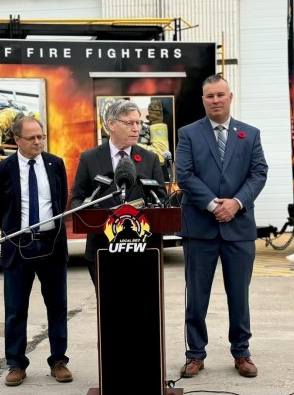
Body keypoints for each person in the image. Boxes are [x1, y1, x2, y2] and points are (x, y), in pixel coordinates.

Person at [175, 74, 268, 379]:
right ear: (203, 100)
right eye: (209, 96)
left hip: (238, 229)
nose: (215, 100)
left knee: (239, 294)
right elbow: (185, 175)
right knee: (196, 296)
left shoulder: (250, 135)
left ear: (230, 97)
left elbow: (258, 173)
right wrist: (215, 205)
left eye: (220, 94)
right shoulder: (188, 134)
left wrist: (236, 203)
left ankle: (241, 352)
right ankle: (195, 354)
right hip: (200, 228)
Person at [0, 115, 72, 385]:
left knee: (57, 306)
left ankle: (58, 360)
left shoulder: (54, 164)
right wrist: (14, 233)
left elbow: (61, 201)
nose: (38, 142)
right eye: (32, 138)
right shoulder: (3, 169)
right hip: (19, 247)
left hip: (51, 245)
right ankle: (16, 364)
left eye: (41, 136)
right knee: (15, 308)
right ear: (17, 140)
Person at [70, 98, 167, 284]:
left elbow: (160, 199)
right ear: (111, 124)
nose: (136, 128)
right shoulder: (89, 158)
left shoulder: (150, 158)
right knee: (109, 311)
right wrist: (90, 211)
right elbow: (77, 199)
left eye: (138, 122)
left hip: (142, 250)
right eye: (129, 123)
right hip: (102, 249)